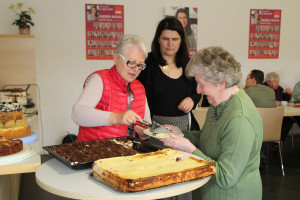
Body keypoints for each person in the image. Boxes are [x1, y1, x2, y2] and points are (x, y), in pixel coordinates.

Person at [141, 46, 263, 200]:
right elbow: (208, 138)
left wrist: (191, 151)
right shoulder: (218, 103)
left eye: (201, 84)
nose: (197, 91)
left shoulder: (239, 120)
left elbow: (226, 178)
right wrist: (178, 133)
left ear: (221, 83)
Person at [72, 34, 151, 142]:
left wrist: (144, 134)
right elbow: (78, 114)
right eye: (131, 63)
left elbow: (146, 126)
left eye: (140, 65)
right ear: (116, 58)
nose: (136, 69)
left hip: (126, 154)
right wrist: (116, 118)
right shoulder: (100, 79)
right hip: (93, 152)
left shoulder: (140, 88)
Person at [137, 17, 201, 133]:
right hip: (152, 128)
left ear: (181, 40)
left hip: (184, 128)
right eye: (165, 39)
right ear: (158, 39)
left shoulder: (189, 64)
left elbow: (198, 91)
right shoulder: (146, 63)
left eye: (175, 39)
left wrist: (192, 100)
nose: (170, 44)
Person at [244, 69, 276, 168]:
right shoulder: (271, 91)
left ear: (253, 80)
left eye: (247, 78)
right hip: (271, 130)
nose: (245, 81)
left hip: (252, 132)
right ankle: (262, 156)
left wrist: (246, 87)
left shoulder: (247, 91)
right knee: (262, 125)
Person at [264, 72, 294, 142]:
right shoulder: (263, 89)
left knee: (289, 121)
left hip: (278, 114)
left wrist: (288, 93)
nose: (277, 83)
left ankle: (278, 140)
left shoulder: (278, 89)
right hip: (266, 115)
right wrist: (272, 103)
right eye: (275, 82)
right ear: (268, 82)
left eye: (278, 81)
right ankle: (274, 140)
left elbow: (283, 98)